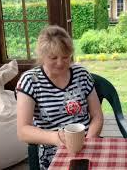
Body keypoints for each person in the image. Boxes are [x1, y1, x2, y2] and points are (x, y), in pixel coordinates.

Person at [16, 25, 103, 169]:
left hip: (89, 143)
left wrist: (88, 141)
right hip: (53, 150)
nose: (60, 63)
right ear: (42, 56)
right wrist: (57, 138)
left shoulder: (81, 74)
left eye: (65, 57)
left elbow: (97, 115)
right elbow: (23, 130)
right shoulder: (30, 81)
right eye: (53, 57)